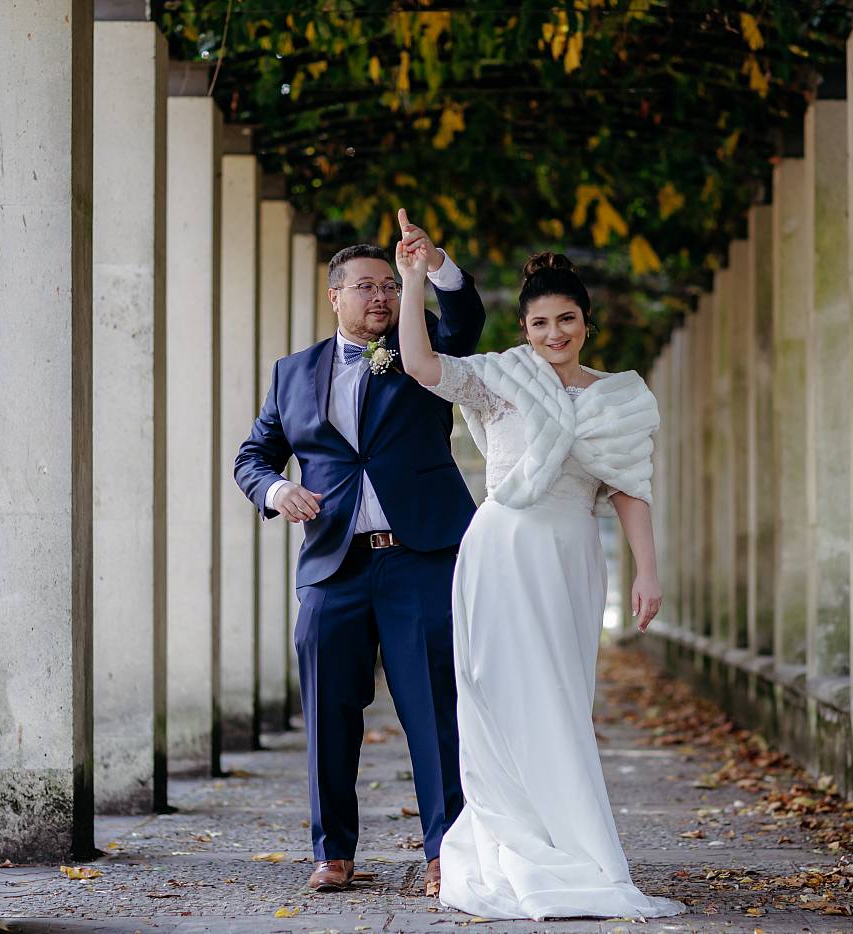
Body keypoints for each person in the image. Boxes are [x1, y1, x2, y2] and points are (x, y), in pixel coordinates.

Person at [393, 241, 685, 921]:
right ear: (523, 332)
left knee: (559, 697)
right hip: (498, 550)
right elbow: (418, 363)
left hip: (569, 556)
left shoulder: (620, 396)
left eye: (565, 320)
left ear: (586, 321)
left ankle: (573, 843)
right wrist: (413, 281)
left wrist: (648, 570)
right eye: (539, 324)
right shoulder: (502, 378)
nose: (554, 334)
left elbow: (628, 490)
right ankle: (509, 837)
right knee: (498, 694)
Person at [233, 211, 485, 897]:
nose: (380, 297)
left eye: (387, 286)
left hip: (422, 559)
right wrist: (278, 488)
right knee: (328, 713)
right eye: (367, 286)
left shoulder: (421, 346)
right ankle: (333, 853)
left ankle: (447, 854)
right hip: (331, 568)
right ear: (335, 296)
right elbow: (253, 455)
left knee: (434, 710)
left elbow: (464, 322)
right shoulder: (292, 373)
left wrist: (434, 268)